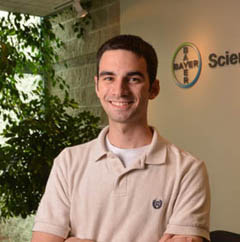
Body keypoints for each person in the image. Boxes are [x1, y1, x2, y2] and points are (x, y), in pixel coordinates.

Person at [31, 35, 210, 242]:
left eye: (133, 79)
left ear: (154, 88)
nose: (119, 90)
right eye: (109, 78)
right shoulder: (68, 162)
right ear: (97, 86)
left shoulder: (188, 170)